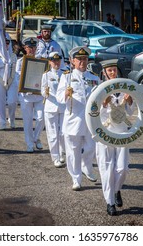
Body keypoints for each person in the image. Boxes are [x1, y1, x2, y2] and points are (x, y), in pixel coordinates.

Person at [56, 46, 99, 191]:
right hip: (73, 119)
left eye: (85, 59)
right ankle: (76, 179)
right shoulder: (66, 76)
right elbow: (59, 97)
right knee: (73, 152)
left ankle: (86, 167)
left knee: (91, 147)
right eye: (79, 59)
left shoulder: (94, 77)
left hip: (90, 120)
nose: (82, 62)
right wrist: (66, 94)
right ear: (73, 61)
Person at [96, 59, 135, 216]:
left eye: (114, 70)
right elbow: (93, 113)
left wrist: (129, 100)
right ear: (104, 73)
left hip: (122, 132)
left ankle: (117, 189)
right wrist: (104, 103)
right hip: (106, 132)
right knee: (107, 169)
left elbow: (131, 112)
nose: (113, 73)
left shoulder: (124, 87)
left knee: (123, 168)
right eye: (110, 70)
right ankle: (109, 202)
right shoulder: (99, 89)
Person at [16, 37, 45, 153]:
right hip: (26, 95)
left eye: (34, 47)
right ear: (25, 48)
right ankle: (29, 144)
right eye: (29, 47)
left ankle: (36, 138)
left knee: (41, 118)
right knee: (27, 121)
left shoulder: (41, 60)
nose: (32, 50)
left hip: (38, 95)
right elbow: (18, 78)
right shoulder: (20, 62)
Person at [41, 51, 66, 167]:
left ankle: (61, 154)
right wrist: (46, 94)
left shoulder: (65, 74)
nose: (56, 63)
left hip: (63, 107)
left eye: (58, 60)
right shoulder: (46, 75)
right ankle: (55, 157)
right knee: (52, 134)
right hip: (51, 106)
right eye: (54, 61)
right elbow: (42, 91)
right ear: (50, 62)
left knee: (63, 133)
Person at [0, 34, 18, 130]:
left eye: (7, 43)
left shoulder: (13, 55)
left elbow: (14, 69)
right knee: (0, 103)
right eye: (4, 43)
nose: (6, 45)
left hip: (11, 80)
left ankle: (11, 119)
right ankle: (2, 122)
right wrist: (1, 63)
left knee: (12, 101)